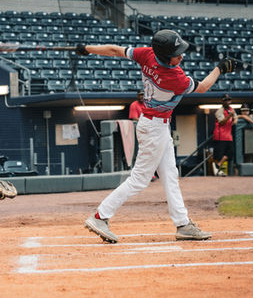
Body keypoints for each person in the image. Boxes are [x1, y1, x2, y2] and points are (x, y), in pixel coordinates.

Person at [75, 29, 236, 242]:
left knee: (170, 175)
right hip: (154, 128)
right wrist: (219, 68)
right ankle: (100, 216)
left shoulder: (147, 54)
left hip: (155, 125)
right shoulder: (174, 77)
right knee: (139, 180)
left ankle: (183, 224)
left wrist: (87, 49)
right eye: (177, 54)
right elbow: (204, 86)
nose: (181, 56)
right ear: (166, 56)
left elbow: (114, 50)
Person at [211, 93, 238, 177]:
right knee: (218, 155)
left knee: (230, 153)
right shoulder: (219, 111)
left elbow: (236, 117)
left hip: (228, 136)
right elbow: (222, 122)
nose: (227, 102)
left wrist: (234, 120)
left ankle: (217, 166)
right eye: (225, 100)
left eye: (229, 100)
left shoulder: (231, 109)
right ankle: (217, 170)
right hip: (220, 136)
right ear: (222, 101)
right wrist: (230, 116)